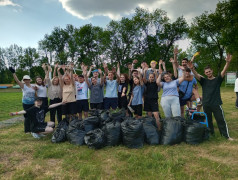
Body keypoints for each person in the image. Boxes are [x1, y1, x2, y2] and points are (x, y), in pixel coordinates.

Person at [188, 54, 233, 140]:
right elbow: (196, 75)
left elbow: (224, 70)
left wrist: (227, 63)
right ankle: (210, 134)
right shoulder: (204, 81)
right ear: (205, 73)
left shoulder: (218, 80)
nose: (208, 73)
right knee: (208, 121)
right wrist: (192, 69)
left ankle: (226, 136)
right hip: (206, 104)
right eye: (206, 72)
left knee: (221, 120)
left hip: (216, 103)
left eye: (209, 71)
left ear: (212, 71)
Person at [9, 67, 36, 133]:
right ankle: (27, 130)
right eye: (25, 80)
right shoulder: (23, 86)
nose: (26, 81)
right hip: (26, 103)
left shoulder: (33, 85)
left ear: (30, 80)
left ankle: (33, 128)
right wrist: (13, 73)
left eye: (27, 79)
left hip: (33, 103)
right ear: (23, 80)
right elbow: (17, 81)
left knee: (33, 116)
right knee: (26, 116)